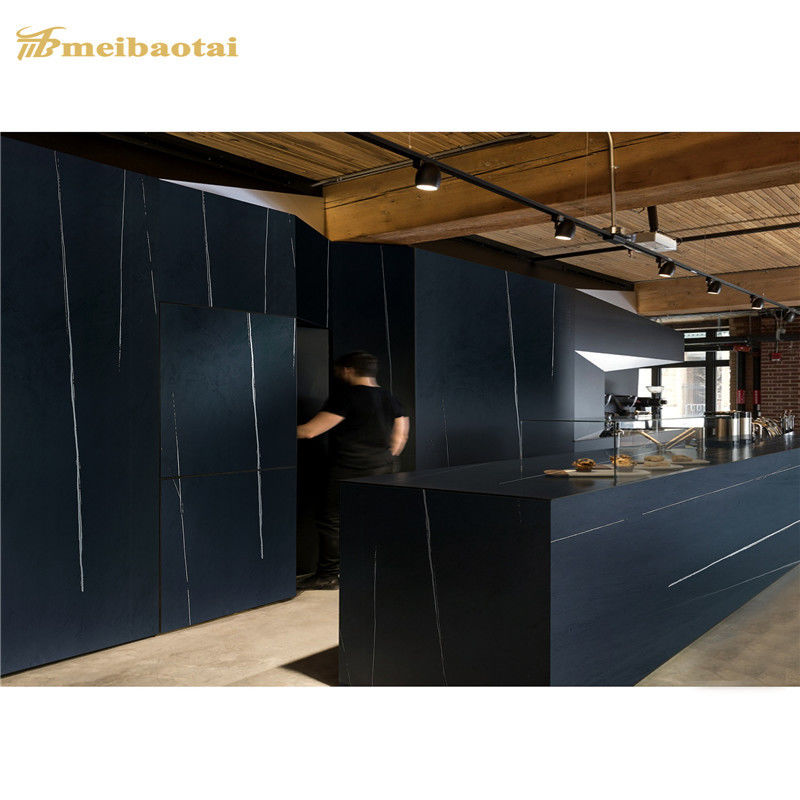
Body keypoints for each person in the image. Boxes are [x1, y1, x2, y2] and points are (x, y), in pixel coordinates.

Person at [296, 351, 409, 590]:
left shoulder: (346, 396)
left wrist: (272, 432)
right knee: (372, 519)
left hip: (348, 469)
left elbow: (310, 431)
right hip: (384, 469)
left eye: (339, 370)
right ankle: (371, 570)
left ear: (348, 370)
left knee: (332, 520)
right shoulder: (389, 397)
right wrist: (381, 458)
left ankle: (329, 575)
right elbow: (400, 437)